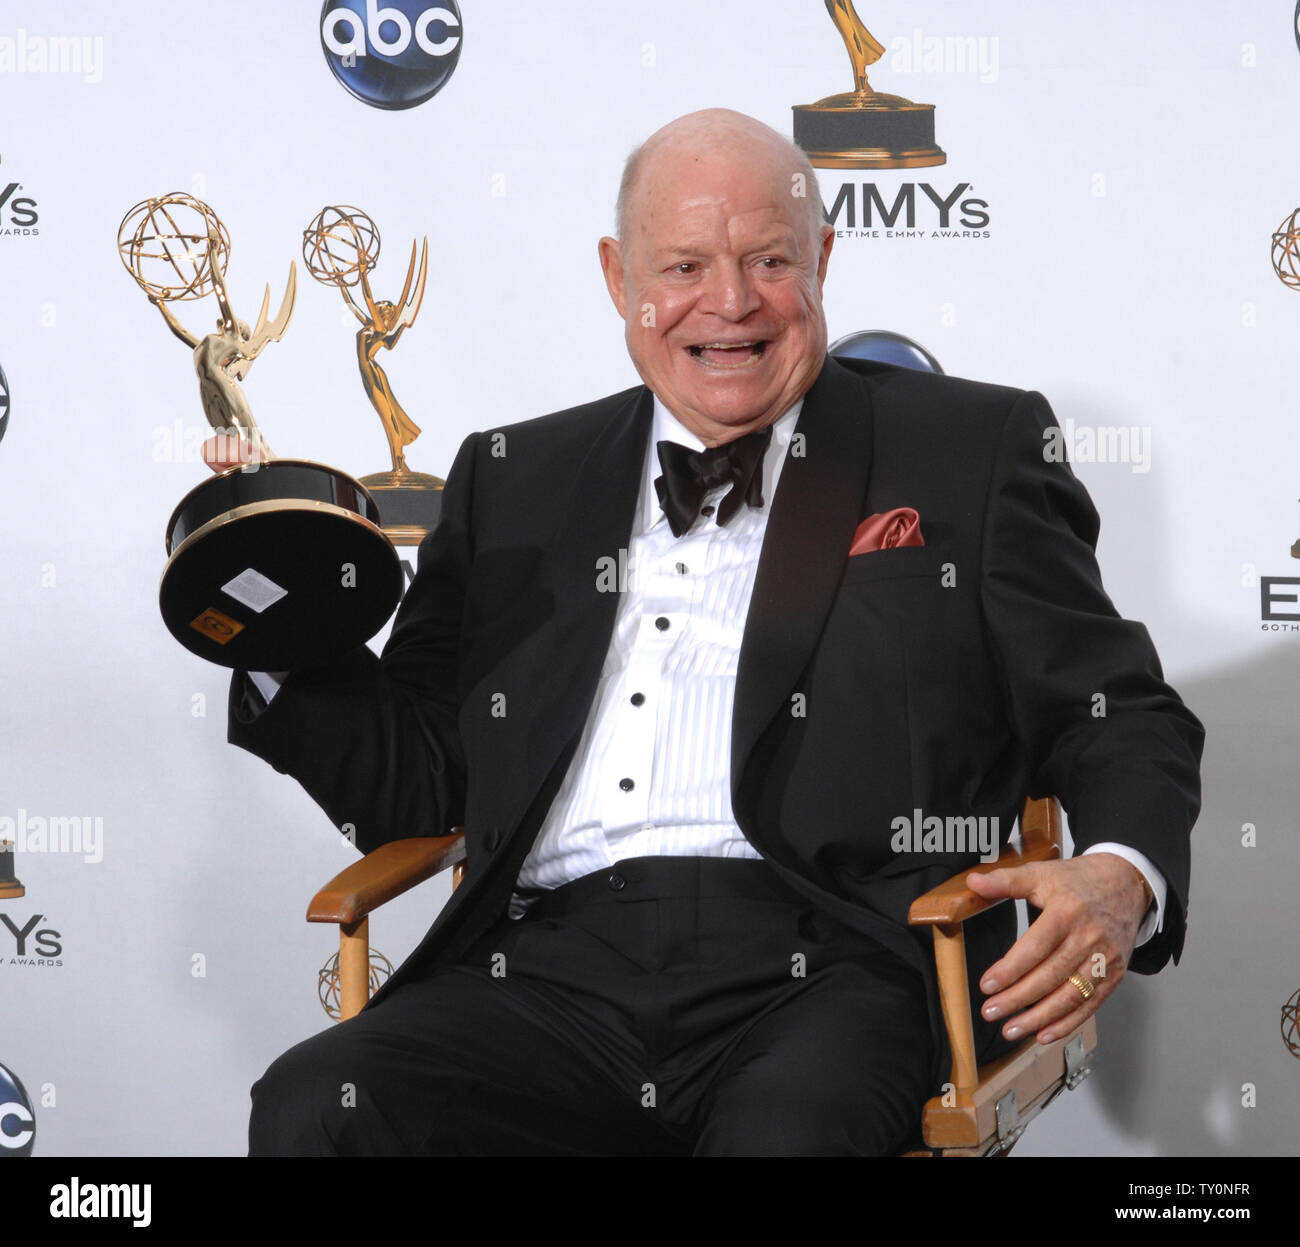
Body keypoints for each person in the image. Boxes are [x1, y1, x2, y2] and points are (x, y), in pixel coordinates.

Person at [221, 109, 1203, 1156]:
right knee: (317, 1104)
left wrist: (1118, 873)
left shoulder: (967, 450)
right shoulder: (513, 477)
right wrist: (279, 623)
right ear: (617, 278)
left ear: (823, 259)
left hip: (839, 961)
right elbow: (419, 785)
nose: (728, 303)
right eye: (683, 264)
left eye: (768, 259)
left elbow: (1115, 711)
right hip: (545, 967)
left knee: (785, 1132)